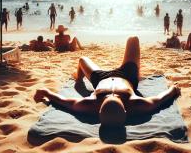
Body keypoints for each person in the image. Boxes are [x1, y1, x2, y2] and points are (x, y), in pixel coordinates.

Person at [34, 36, 180, 128]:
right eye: (115, 98)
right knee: (133, 39)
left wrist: (47, 92)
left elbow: (64, 101)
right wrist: (173, 90)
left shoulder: (88, 105)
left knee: (82, 60)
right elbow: (160, 99)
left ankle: (78, 77)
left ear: (97, 109)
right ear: (125, 109)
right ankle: (78, 77)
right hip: (127, 76)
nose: (113, 95)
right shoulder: (138, 105)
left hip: (101, 78)